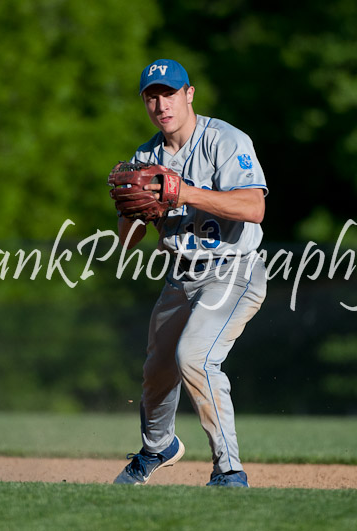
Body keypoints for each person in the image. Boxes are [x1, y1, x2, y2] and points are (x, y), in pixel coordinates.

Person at [112, 59, 268, 487]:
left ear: (189, 94)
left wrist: (185, 192)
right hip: (181, 278)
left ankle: (229, 469)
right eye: (151, 96)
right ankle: (158, 447)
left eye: (169, 93)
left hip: (234, 272)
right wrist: (131, 209)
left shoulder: (224, 140)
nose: (161, 104)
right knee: (157, 370)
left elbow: (254, 207)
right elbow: (127, 243)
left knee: (194, 358)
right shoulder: (145, 156)